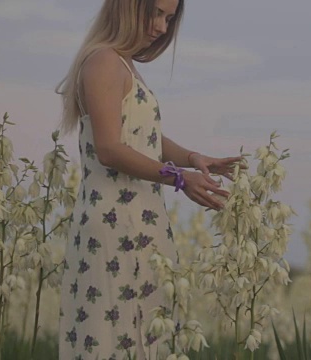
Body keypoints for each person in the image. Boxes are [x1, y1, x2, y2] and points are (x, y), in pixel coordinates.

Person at [54, 0, 241, 358]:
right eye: (155, 12)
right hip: (113, 228)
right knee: (112, 340)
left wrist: (193, 159)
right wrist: (180, 179)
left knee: (140, 337)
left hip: (138, 222)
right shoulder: (104, 61)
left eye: (169, 18)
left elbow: (144, 135)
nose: (162, 27)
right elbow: (110, 148)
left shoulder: (121, 64)